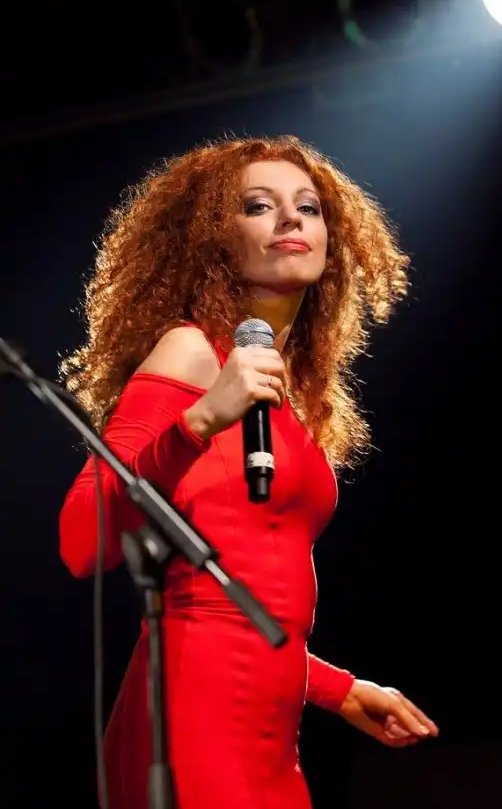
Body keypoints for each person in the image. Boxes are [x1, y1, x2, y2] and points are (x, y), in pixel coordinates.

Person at [59, 135, 439, 809]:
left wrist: (340, 690)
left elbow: (248, 602)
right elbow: (80, 541)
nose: (291, 218)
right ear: (215, 240)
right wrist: (200, 421)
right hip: (191, 717)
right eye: (259, 206)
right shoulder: (191, 353)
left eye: (308, 208)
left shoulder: (293, 392)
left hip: (271, 732)